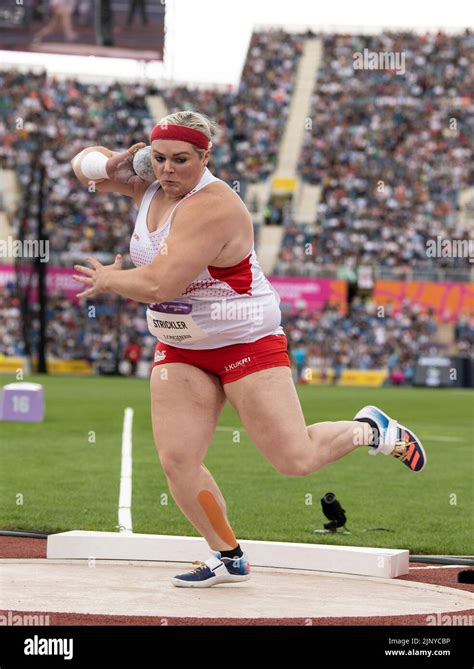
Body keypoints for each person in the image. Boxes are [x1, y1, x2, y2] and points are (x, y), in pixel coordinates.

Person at [71, 111, 427, 588]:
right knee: (178, 460)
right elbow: (80, 166)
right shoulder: (150, 185)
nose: (168, 171)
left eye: (181, 160)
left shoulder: (213, 206)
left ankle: (370, 429)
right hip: (180, 346)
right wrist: (112, 163)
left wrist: (109, 277)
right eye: (158, 159)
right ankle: (227, 556)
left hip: (245, 340)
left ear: (205, 157)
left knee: (294, 459)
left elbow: (159, 283)